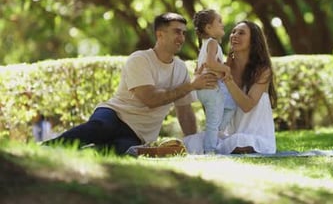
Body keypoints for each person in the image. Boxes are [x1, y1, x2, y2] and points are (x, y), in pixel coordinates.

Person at [43, 13, 217, 155]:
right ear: (160, 34)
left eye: (184, 33)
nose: (181, 37)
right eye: (177, 32)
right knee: (100, 128)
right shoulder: (140, 59)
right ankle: (46, 148)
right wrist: (191, 86)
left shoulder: (180, 69)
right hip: (115, 114)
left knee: (122, 151)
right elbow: (150, 99)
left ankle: (80, 154)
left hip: (138, 134)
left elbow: (185, 111)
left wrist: (193, 144)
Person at [184, 20, 277, 154]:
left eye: (241, 33)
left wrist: (227, 78)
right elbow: (214, 107)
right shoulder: (223, 66)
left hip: (255, 137)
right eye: (233, 32)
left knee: (239, 141)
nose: (234, 35)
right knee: (193, 141)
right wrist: (202, 81)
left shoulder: (262, 70)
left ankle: (218, 149)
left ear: (253, 41)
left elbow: (247, 105)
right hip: (228, 136)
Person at [193, 9, 237, 154]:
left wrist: (218, 69)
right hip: (211, 89)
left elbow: (200, 68)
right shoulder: (212, 43)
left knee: (231, 105)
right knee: (213, 121)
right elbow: (210, 63)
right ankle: (209, 150)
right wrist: (226, 69)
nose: (222, 25)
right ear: (208, 28)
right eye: (219, 21)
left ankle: (216, 134)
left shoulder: (206, 45)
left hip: (206, 89)